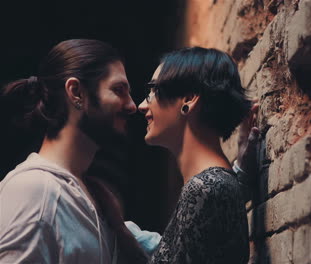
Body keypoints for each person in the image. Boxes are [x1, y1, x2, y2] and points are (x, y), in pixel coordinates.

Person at [0, 39, 148, 263]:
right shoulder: (34, 191)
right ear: (76, 92)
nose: (132, 105)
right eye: (119, 90)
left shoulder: (95, 195)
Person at [138, 47, 253, 263]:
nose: (142, 105)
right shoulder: (214, 186)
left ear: (189, 99)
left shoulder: (204, 189)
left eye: (153, 91)